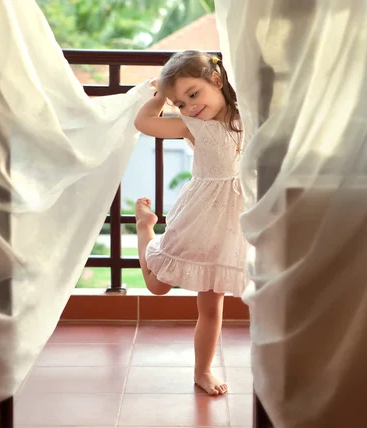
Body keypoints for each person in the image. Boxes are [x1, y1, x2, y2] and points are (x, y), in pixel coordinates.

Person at [134, 50, 247, 396]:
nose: (189, 107)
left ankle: (202, 371)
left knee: (212, 304)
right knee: (157, 286)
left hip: (231, 223)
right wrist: (158, 98)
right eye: (179, 103)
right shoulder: (193, 125)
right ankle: (144, 230)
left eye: (193, 95)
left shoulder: (248, 115)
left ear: (217, 80)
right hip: (199, 215)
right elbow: (144, 124)